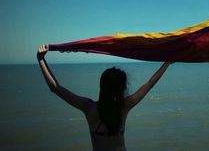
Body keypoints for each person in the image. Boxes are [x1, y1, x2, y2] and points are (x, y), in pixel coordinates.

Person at [37, 44, 173, 151]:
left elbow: (56, 88)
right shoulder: (124, 106)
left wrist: (41, 59)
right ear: (122, 88)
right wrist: (166, 63)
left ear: (102, 86)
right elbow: (149, 85)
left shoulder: (89, 107)